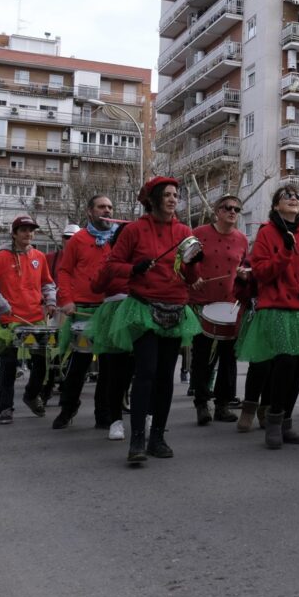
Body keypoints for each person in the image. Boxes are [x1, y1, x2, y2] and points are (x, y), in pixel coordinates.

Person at [103, 177, 203, 464]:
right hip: (144, 308)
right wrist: (133, 268)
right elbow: (112, 267)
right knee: (145, 372)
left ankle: (157, 436)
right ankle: (137, 440)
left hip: (175, 308)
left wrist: (196, 263)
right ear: (154, 198)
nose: (173, 200)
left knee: (164, 376)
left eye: (176, 195)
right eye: (167, 195)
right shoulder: (134, 230)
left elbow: (191, 277)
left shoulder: (185, 231)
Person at [235, 184, 299, 449]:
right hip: (277, 306)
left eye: (297, 196)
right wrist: (285, 253)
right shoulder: (267, 233)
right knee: (286, 362)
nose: (293, 199)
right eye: (287, 196)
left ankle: (286, 423)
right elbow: (261, 272)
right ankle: (273, 419)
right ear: (276, 204)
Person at [0, 215, 58, 425]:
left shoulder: (39, 256)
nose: (28, 234)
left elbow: (48, 284)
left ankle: (31, 396)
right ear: (14, 234)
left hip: (35, 320)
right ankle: (5, 408)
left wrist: (51, 301)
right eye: (23, 230)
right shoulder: (2, 256)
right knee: (8, 365)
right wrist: (0, 303)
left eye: (31, 230)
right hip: (9, 320)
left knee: (41, 364)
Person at [187, 194, 251, 426]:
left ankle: (223, 404)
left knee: (228, 358)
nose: (233, 212)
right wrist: (192, 278)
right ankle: (202, 404)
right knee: (202, 356)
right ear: (217, 211)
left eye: (237, 208)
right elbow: (185, 263)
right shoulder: (199, 234)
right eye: (227, 208)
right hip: (203, 303)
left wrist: (244, 274)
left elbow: (245, 266)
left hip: (231, 305)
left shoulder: (242, 239)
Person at [51, 197, 116, 430]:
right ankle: (68, 408)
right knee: (78, 365)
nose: (107, 210)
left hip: (109, 308)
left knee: (108, 367)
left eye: (109, 207)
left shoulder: (119, 239)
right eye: (102, 207)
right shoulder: (78, 240)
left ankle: (103, 413)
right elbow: (65, 272)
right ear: (90, 212)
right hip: (82, 309)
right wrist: (66, 300)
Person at [87, 227, 134, 441]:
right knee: (112, 371)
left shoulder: (145, 260)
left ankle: (147, 415)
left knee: (142, 371)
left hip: (139, 315)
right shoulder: (110, 261)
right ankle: (110, 418)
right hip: (114, 316)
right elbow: (96, 286)